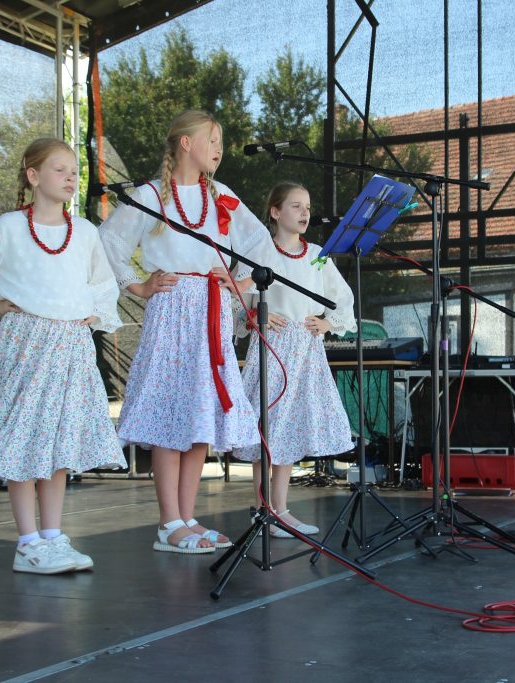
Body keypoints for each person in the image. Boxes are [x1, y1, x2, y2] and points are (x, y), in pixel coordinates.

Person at [99, 110, 274, 554]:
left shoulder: (223, 196)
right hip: (172, 307)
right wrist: (138, 285)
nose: (219, 149)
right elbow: (108, 242)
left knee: (199, 416)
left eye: (221, 142)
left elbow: (260, 245)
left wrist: (238, 282)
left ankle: (188, 517)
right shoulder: (150, 195)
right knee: (169, 415)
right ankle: (168, 522)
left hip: (210, 308)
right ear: (184, 143)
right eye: (211, 140)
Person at [0, 137, 126, 574]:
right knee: (23, 438)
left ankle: (53, 535)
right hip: (26, 342)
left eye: (74, 171)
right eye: (59, 170)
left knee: (59, 441)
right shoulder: (8, 227)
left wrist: (93, 314)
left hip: (70, 345)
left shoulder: (84, 232)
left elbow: (103, 283)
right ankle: (28, 542)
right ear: (33, 176)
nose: (70, 177)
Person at [232, 182, 356, 536]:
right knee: (266, 430)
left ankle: (281, 510)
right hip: (272, 349)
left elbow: (343, 298)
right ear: (275, 211)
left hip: (305, 351)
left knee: (287, 431)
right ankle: (264, 509)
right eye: (296, 206)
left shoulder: (317, 255)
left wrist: (328, 323)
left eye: (307, 207)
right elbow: (235, 297)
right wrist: (254, 315)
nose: (305, 213)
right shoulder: (258, 250)